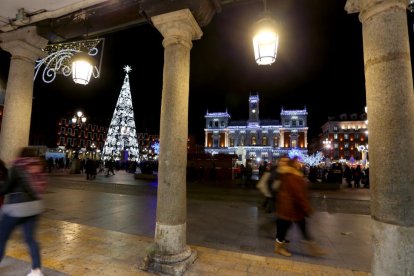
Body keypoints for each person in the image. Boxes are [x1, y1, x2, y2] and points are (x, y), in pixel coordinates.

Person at [0, 147, 48, 276]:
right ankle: (36, 270)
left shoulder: (18, 167)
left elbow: (6, 189)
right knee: (31, 239)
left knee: (2, 237)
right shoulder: (38, 167)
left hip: (16, 208)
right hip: (35, 208)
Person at [274, 156, 325, 257]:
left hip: (291, 207)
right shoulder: (293, 176)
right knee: (285, 228)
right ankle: (279, 248)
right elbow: (298, 194)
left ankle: (313, 247)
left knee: (296, 227)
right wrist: (306, 207)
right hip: (291, 207)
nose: (299, 163)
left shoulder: (291, 174)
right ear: (293, 164)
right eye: (298, 162)